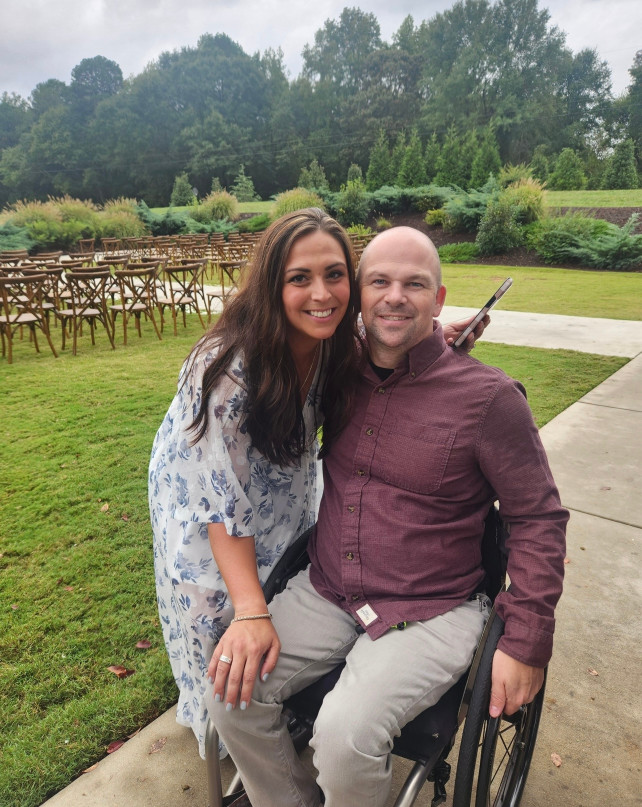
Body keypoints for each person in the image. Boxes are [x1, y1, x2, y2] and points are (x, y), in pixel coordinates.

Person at [208, 226, 569, 807]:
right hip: (328, 589)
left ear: (440, 298)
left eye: (414, 284)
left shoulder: (491, 401)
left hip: (431, 607)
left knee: (345, 737)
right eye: (379, 281)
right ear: (358, 294)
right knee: (229, 691)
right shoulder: (336, 370)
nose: (395, 296)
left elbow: (538, 520)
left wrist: (526, 641)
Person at [149, 211, 481, 759]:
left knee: (277, 578)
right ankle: (226, 729)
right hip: (202, 495)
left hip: (281, 485)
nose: (321, 293)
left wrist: (432, 337)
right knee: (221, 616)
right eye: (299, 278)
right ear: (271, 284)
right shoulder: (228, 368)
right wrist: (251, 615)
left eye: (335, 274)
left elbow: (384, 344)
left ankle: (273, 707)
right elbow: (221, 509)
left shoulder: (332, 341)